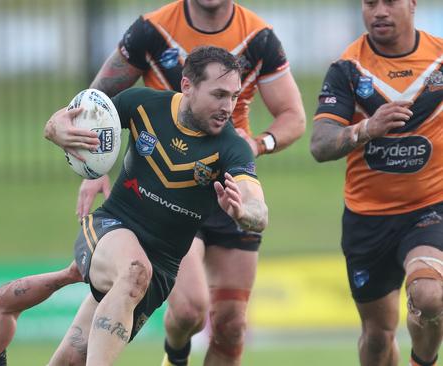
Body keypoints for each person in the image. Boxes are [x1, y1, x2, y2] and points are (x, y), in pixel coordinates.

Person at [0, 46, 267, 366]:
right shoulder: (143, 105)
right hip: (110, 228)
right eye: (219, 94)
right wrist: (57, 131)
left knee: (72, 358)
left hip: (161, 271)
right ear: (187, 86)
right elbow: (66, 119)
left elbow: (259, 212)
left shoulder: (233, 147)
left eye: (235, 96)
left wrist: (242, 212)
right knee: (135, 270)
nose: (229, 106)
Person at [75, 1, 306, 364]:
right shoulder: (151, 31)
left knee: (231, 325)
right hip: (167, 191)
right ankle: (176, 355)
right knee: (189, 311)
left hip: (230, 183)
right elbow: (97, 106)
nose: (226, 102)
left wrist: (259, 143)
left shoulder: (259, 38)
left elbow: (294, 116)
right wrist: (96, 164)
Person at [310, 1, 443, 365]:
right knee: (377, 338)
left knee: (429, 297)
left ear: (413, 4)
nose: (379, 11)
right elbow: (320, 145)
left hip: (430, 208)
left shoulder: (440, 59)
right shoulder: (347, 69)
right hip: (367, 218)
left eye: (389, 2)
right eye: (370, 3)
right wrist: (367, 128)